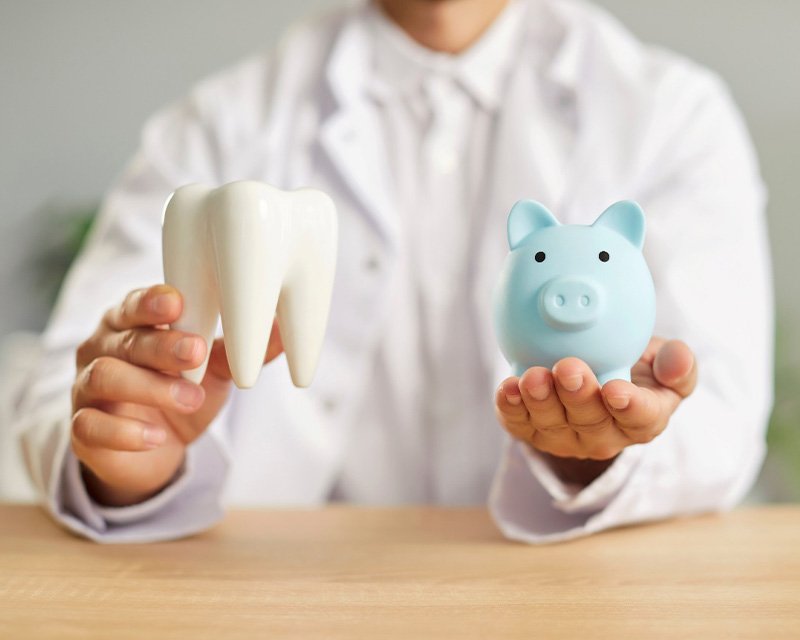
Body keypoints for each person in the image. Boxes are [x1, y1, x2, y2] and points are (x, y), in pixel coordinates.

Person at [14, 0, 773, 543]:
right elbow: (63, 390)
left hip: (562, 603)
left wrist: (592, 453)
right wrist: (130, 455)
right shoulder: (220, 124)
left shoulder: (669, 113)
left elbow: (723, 421)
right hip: (276, 595)